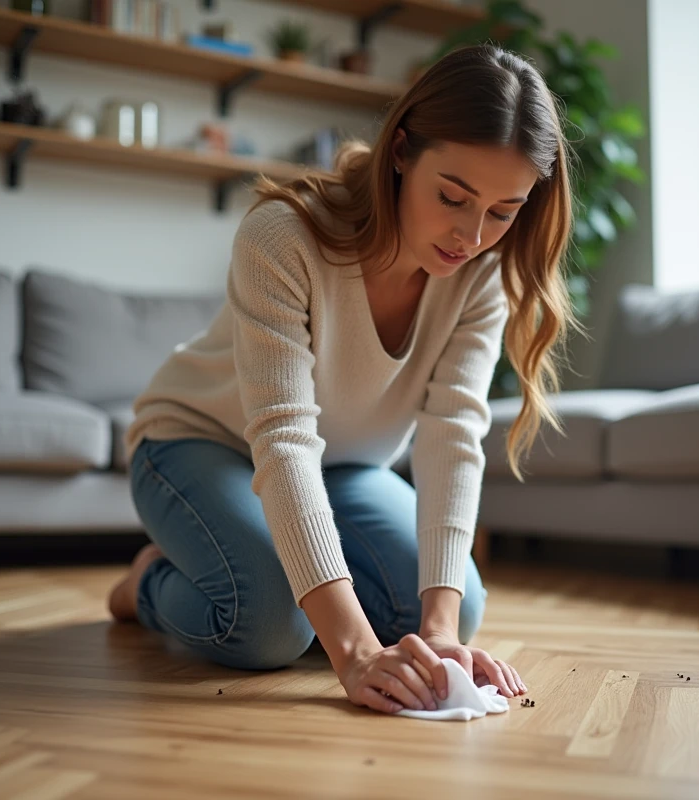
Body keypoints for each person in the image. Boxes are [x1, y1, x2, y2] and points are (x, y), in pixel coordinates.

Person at [108, 43, 580, 716]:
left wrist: (440, 634)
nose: (471, 234)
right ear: (401, 152)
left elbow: (451, 437)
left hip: (344, 467)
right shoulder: (283, 237)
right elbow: (283, 441)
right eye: (453, 196)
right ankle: (148, 582)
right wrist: (355, 654)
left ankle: (262, 564)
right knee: (270, 625)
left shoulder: (482, 279)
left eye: (504, 212)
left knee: (459, 606)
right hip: (196, 443)